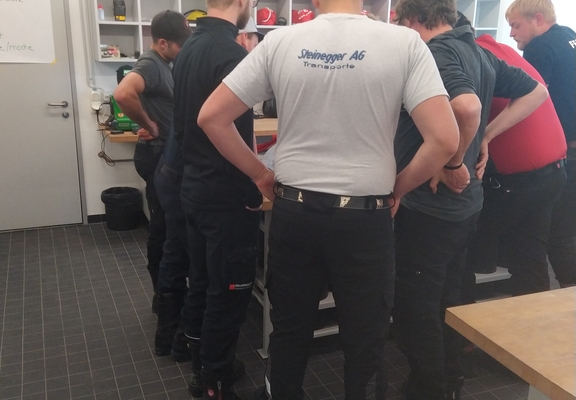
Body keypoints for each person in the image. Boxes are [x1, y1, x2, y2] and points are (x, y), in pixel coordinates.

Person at [197, 0, 467, 397]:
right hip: (365, 216)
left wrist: (259, 173)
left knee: (289, 332)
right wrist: (398, 188)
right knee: (366, 338)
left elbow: (211, 117)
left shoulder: (280, 42)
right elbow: (444, 139)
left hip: (294, 212)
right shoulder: (404, 43)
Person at [391, 1, 548, 399]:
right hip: (463, 208)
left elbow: (467, 106)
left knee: (416, 304)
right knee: (449, 296)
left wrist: (454, 158)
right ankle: (451, 378)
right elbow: (536, 91)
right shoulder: (476, 50)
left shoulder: (436, 51)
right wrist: (485, 137)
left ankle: (428, 389)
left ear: (414, 19)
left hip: (432, 205)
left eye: (400, 22)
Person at [170, 0, 260, 398]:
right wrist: (256, 183)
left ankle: (197, 359)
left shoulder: (189, 46)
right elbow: (230, 130)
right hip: (224, 195)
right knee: (229, 292)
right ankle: (214, 380)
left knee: (204, 280)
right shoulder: (231, 54)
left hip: (194, 185)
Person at [454, 13, 567, 299]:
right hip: (554, 170)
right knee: (529, 255)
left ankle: (461, 323)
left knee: (458, 248)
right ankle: (530, 324)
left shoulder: (465, 59)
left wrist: (485, 136)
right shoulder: (499, 49)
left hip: (516, 180)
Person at [113, 10, 191, 314]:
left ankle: (170, 291)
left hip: (164, 153)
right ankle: (164, 296)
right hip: (156, 154)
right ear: (162, 43)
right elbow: (123, 94)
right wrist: (149, 124)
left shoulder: (165, 62)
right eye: (180, 45)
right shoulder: (151, 63)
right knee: (162, 227)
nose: (183, 51)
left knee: (170, 225)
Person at [506, 0, 576, 288]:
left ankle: (549, 304)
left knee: (547, 238)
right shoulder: (569, 35)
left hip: (562, 154)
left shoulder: (540, 47)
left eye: (516, 25)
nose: (511, 34)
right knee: (566, 234)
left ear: (538, 19)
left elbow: (530, 100)